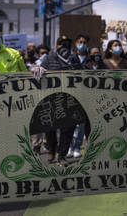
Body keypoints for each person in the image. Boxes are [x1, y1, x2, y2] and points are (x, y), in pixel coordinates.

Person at [33, 35, 83, 166]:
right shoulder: (49, 59)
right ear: (56, 46)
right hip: (51, 100)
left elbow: (81, 75)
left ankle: (62, 155)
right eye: (62, 44)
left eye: (67, 44)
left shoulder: (74, 59)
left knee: (68, 130)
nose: (65, 46)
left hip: (70, 100)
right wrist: (38, 70)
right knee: (50, 130)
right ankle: (52, 151)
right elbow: (38, 73)